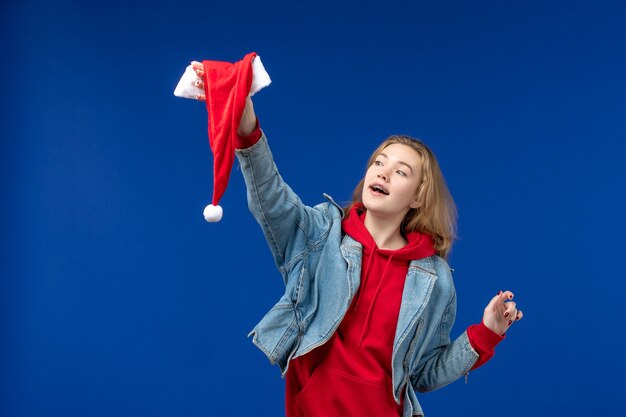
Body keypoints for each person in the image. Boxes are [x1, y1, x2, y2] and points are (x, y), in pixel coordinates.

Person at [192, 61, 524, 417]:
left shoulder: (435, 280)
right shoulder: (320, 234)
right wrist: (246, 128)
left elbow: (424, 373)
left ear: (417, 198)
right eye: (379, 163)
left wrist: (487, 333)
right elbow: (270, 199)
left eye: (401, 171)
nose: (383, 172)